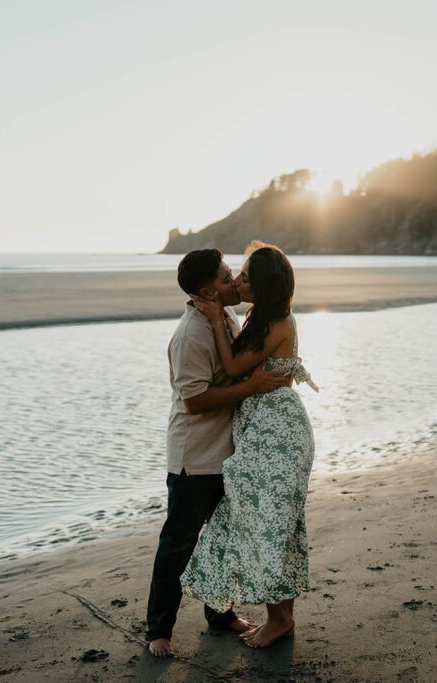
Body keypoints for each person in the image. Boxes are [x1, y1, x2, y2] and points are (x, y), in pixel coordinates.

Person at [145, 248, 289, 658]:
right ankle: (159, 629)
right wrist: (250, 386)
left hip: (228, 453)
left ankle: (220, 615)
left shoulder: (225, 316)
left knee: (225, 541)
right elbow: (194, 401)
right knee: (178, 544)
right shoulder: (190, 335)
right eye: (228, 279)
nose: (235, 283)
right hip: (195, 458)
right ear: (208, 291)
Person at [181, 241, 317, 649]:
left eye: (244, 277)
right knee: (273, 524)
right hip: (262, 429)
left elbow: (235, 367)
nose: (237, 281)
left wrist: (217, 313)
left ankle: (280, 620)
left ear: (264, 286)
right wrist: (224, 315)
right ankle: (282, 618)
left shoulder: (280, 321)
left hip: (277, 431)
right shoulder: (261, 317)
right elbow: (243, 366)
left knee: (271, 525)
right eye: (235, 275)